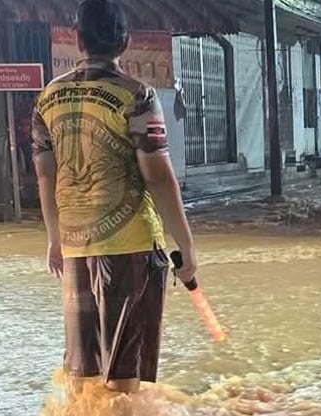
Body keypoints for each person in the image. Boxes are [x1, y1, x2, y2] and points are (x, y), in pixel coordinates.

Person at [33, 0, 196, 394]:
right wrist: (186, 246)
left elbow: (44, 174)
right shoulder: (136, 95)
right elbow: (158, 176)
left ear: (77, 38)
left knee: (83, 373)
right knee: (125, 375)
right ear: (125, 41)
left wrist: (54, 239)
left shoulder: (47, 98)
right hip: (129, 247)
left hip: (74, 244)